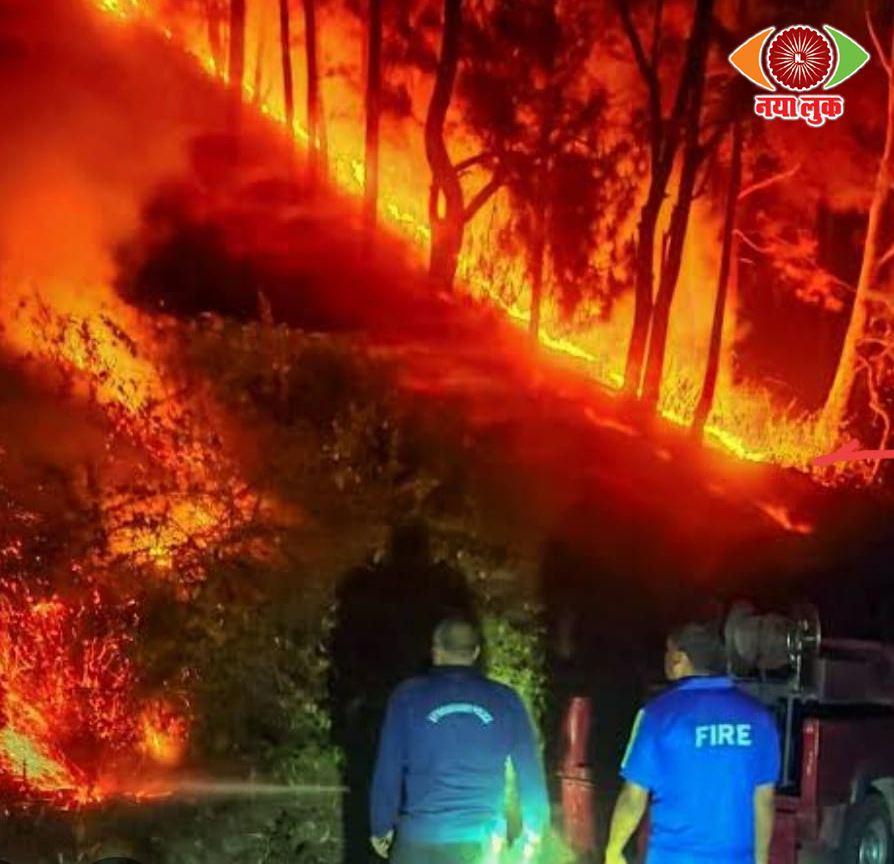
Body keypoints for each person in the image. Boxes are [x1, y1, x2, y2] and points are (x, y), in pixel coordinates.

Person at [369, 616, 550, 863]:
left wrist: (381, 825)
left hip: (420, 843)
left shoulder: (407, 697)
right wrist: (535, 829)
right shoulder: (506, 700)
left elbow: (388, 768)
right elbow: (529, 770)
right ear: (475, 653)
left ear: (436, 651)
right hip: (483, 846)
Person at [604, 621, 780, 864]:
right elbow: (764, 801)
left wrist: (613, 850)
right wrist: (760, 861)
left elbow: (633, 797)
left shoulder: (656, 715)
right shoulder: (759, 718)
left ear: (679, 659)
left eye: (667, 651)